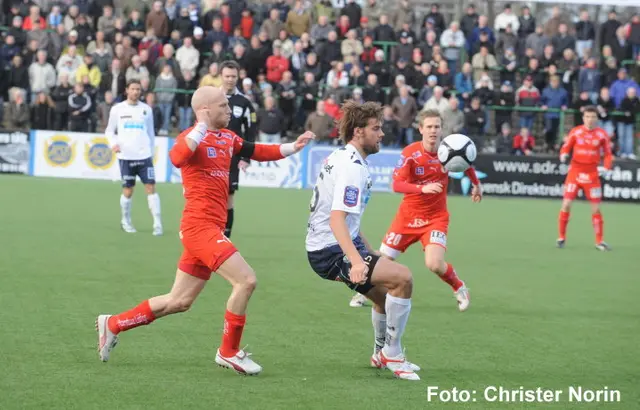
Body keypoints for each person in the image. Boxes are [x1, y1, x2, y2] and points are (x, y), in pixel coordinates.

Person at [96, 86, 314, 375]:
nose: (230, 110)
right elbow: (176, 157)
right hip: (199, 227)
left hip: (208, 227)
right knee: (246, 280)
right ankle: (229, 351)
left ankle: (112, 324)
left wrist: (292, 147)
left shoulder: (227, 136)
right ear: (205, 111)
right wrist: (200, 127)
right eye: (223, 106)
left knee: (179, 301)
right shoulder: (191, 137)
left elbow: (255, 150)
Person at [305, 100, 421, 381]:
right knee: (403, 278)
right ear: (358, 132)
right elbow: (337, 219)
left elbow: (348, 221)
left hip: (335, 243)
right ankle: (393, 354)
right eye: (376, 128)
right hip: (329, 250)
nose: (381, 134)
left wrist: (366, 251)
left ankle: (381, 352)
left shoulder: (342, 156)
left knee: (383, 297)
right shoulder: (353, 167)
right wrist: (357, 260)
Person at [349, 110, 481, 310]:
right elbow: (396, 185)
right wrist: (422, 188)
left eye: (437, 126)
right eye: (429, 127)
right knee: (382, 259)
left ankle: (459, 287)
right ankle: (365, 292)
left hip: (436, 218)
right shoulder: (411, 153)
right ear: (421, 129)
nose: (433, 131)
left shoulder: (447, 151)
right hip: (407, 218)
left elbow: (464, 163)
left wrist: (476, 184)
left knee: (434, 264)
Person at [105, 79, 162, 236]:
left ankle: (157, 223)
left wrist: (151, 151)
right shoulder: (117, 109)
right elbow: (109, 131)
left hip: (144, 156)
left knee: (151, 187)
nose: (136, 92)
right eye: (133, 89)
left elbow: (150, 132)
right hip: (126, 156)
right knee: (128, 191)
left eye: (138, 89)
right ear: (127, 90)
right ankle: (125, 220)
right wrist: (113, 143)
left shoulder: (146, 110)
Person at [557, 106, 612, 251]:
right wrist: (563, 154)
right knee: (566, 204)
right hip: (575, 172)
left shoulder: (602, 134)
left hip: (592, 174)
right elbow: (566, 146)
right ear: (583, 118)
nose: (590, 119)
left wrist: (606, 167)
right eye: (587, 116)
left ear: (596, 118)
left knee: (596, 208)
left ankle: (599, 241)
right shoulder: (576, 131)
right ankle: (561, 237)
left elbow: (607, 153)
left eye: (593, 117)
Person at [219, 60, 257, 239]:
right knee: (209, 197)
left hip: (232, 157)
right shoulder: (211, 97)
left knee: (228, 198)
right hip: (210, 155)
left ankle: (225, 237)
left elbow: (251, 130)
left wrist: (246, 157)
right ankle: (209, 235)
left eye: (233, 76)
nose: (230, 79)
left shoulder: (244, 102)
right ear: (221, 76)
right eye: (227, 76)